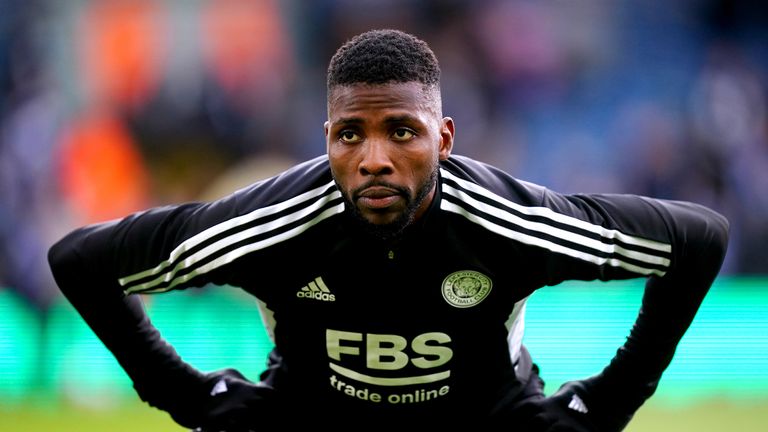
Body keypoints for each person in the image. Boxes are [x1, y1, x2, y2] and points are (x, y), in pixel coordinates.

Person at [48, 29, 729, 431]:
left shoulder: (511, 223)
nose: (374, 158)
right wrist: (185, 395)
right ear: (326, 141)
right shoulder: (271, 223)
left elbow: (696, 239)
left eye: (402, 131)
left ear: (444, 139)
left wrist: (608, 403)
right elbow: (82, 260)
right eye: (351, 134)